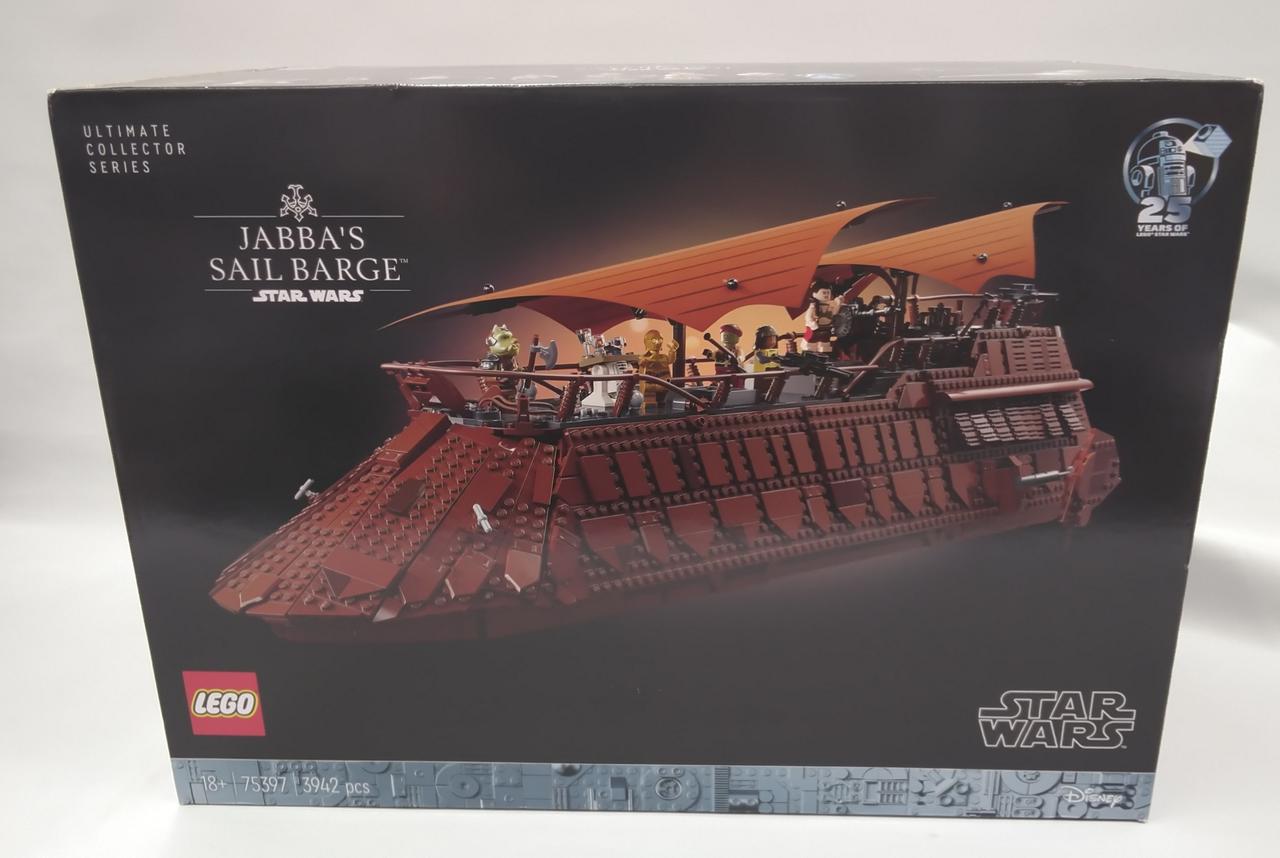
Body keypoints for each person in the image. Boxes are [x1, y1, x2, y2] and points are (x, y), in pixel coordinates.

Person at [477, 323, 521, 412]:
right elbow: (486, 379)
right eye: (504, 338)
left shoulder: (512, 360)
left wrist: (517, 372)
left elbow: (515, 379)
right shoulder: (490, 361)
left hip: (511, 396)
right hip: (495, 398)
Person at [636, 329, 678, 414]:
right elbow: (642, 363)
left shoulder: (664, 357)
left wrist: (673, 350)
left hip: (665, 385)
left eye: (660, 340)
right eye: (654, 340)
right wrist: (649, 359)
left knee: (667, 403)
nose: (657, 342)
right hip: (649, 388)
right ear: (647, 342)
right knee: (650, 406)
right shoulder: (643, 357)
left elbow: (671, 359)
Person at [802, 279, 842, 354]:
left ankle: (824, 354)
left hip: (826, 328)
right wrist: (813, 325)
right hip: (814, 330)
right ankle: (810, 355)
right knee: (810, 345)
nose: (826, 295)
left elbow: (834, 313)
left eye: (828, 292)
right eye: (824, 292)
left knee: (825, 344)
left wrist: (838, 304)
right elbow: (808, 317)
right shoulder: (813, 305)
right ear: (814, 293)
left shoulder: (830, 305)